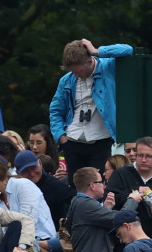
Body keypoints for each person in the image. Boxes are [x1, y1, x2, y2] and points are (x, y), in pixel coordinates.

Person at [48, 38, 132, 175]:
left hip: (101, 140)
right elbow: (56, 110)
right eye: (72, 71)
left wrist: (97, 51)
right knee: (77, 185)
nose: (76, 75)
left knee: (99, 184)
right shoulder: (66, 80)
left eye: (79, 71)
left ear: (89, 61)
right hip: (72, 140)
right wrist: (61, 137)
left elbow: (128, 50)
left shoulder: (107, 67)